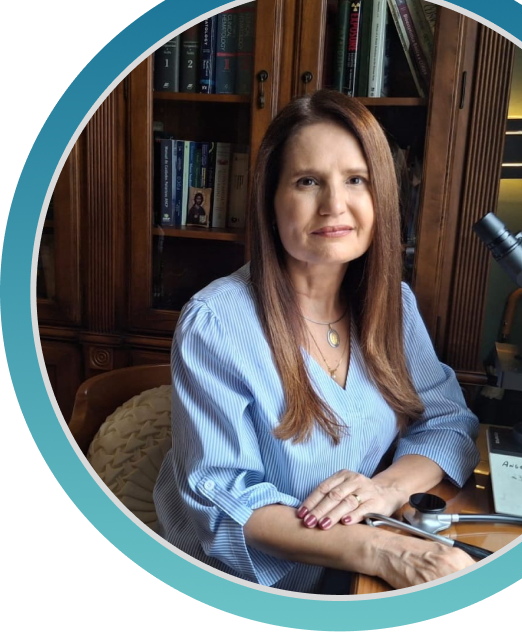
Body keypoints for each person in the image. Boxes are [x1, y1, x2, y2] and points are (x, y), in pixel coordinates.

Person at [153, 89, 481, 594]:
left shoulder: (393, 304)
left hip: (350, 566)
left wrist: (384, 490)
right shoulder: (215, 323)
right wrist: (383, 550)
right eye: (308, 181)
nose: (334, 205)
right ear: (271, 200)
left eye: (356, 180)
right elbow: (225, 503)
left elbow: (448, 421)